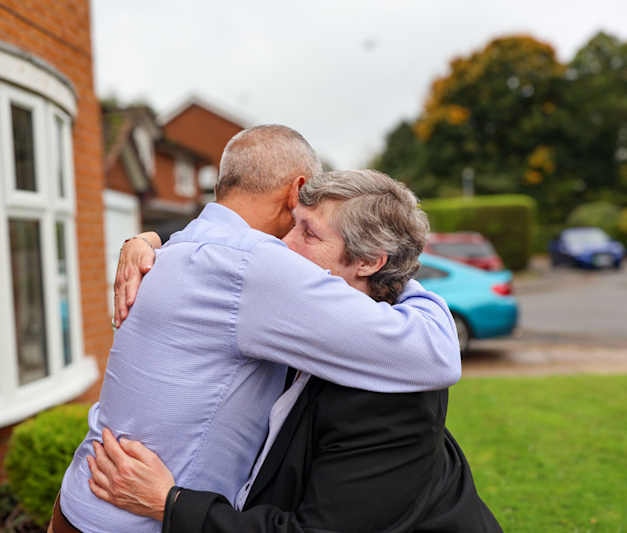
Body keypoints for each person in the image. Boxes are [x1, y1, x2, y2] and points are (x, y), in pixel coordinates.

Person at [53, 126, 462, 533]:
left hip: (81, 501)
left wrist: (142, 238)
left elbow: (435, 357)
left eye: (310, 231)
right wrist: (403, 281)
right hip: (132, 519)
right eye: (297, 223)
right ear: (295, 190)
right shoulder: (257, 268)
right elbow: (436, 352)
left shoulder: (180, 249)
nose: (288, 245)